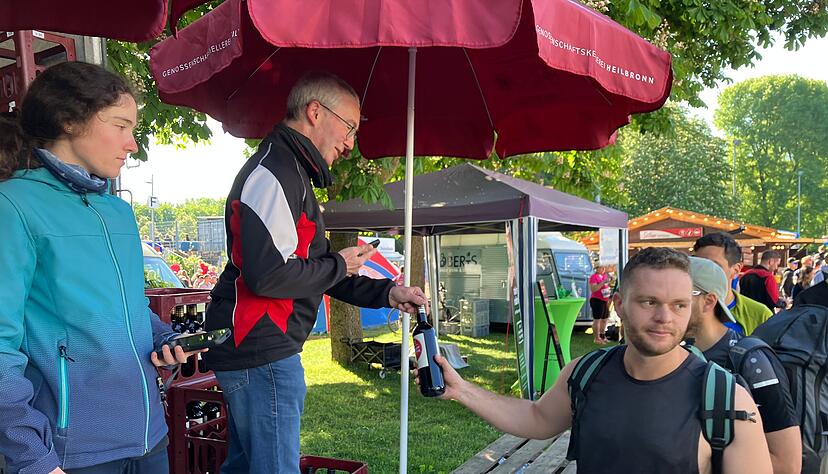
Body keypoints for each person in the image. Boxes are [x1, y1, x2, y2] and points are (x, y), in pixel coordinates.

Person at [202, 72, 427, 473]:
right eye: (350, 127)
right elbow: (269, 277)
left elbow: (321, 270)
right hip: (260, 348)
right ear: (315, 112)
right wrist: (341, 262)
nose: (350, 142)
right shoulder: (275, 174)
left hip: (258, 348)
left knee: (244, 465)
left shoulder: (290, 173)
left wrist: (388, 294)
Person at [0, 62, 200, 474]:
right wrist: (32, 458)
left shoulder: (119, 212)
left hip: (148, 438)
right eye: (122, 125)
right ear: (69, 120)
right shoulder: (14, 205)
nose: (133, 144)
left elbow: (127, 309)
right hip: (71, 454)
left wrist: (163, 339)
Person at [420, 247, 771, 473]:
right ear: (618, 304)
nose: (665, 317)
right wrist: (463, 390)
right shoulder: (586, 374)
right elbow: (537, 418)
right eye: (649, 302)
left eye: (679, 305)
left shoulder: (726, 398)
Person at [685, 257, 801, 474]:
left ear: (708, 301)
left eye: (679, 297)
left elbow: (787, 464)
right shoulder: (674, 355)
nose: (667, 308)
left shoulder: (751, 360)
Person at [693, 232, 772, 335]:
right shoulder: (682, 310)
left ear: (736, 270)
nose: (703, 272)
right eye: (698, 265)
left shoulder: (760, 315)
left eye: (714, 266)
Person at [588, 264, 612, 344]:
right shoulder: (593, 277)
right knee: (597, 320)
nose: (603, 269)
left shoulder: (604, 276)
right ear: (597, 268)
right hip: (596, 300)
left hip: (604, 300)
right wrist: (602, 283)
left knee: (605, 319)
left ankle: (602, 335)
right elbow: (594, 289)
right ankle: (596, 338)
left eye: (604, 267)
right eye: (602, 267)